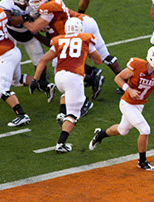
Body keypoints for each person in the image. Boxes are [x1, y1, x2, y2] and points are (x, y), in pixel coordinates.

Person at [88, 45, 154, 171]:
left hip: (139, 105)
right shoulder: (137, 65)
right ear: (152, 58)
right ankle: (142, 161)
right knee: (145, 130)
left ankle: (100, 135)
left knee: (122, 130)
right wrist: (129, 89)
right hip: (127, 103)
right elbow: (118, 78)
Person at [24, 0, 102, 115]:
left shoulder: (49, 8)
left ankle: (83, 99)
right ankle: (92, 78)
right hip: (66, 39)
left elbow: (34, 29)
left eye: (37, 1)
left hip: (64, 39)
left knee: (64, 74)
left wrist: (22, 20)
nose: (34, 3)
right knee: (67, 74)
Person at [30, 17, 102, 153]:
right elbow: (98, 61)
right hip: (73, 77)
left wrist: (35, 80)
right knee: (74, 114)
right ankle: (61, 144)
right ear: (80, 28)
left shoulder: (59, 40)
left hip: (59, 77)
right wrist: (87, 53)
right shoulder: (85, 38)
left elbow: (43, 60)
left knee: (66, 94)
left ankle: (62, 113)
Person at [0, 0, 54, 101]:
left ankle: (41, 81)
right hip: (11, 34)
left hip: (30, 34)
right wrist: (27, 17)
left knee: (40, 60)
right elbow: (9, 20)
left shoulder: (33, 1)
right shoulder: (6, 4)